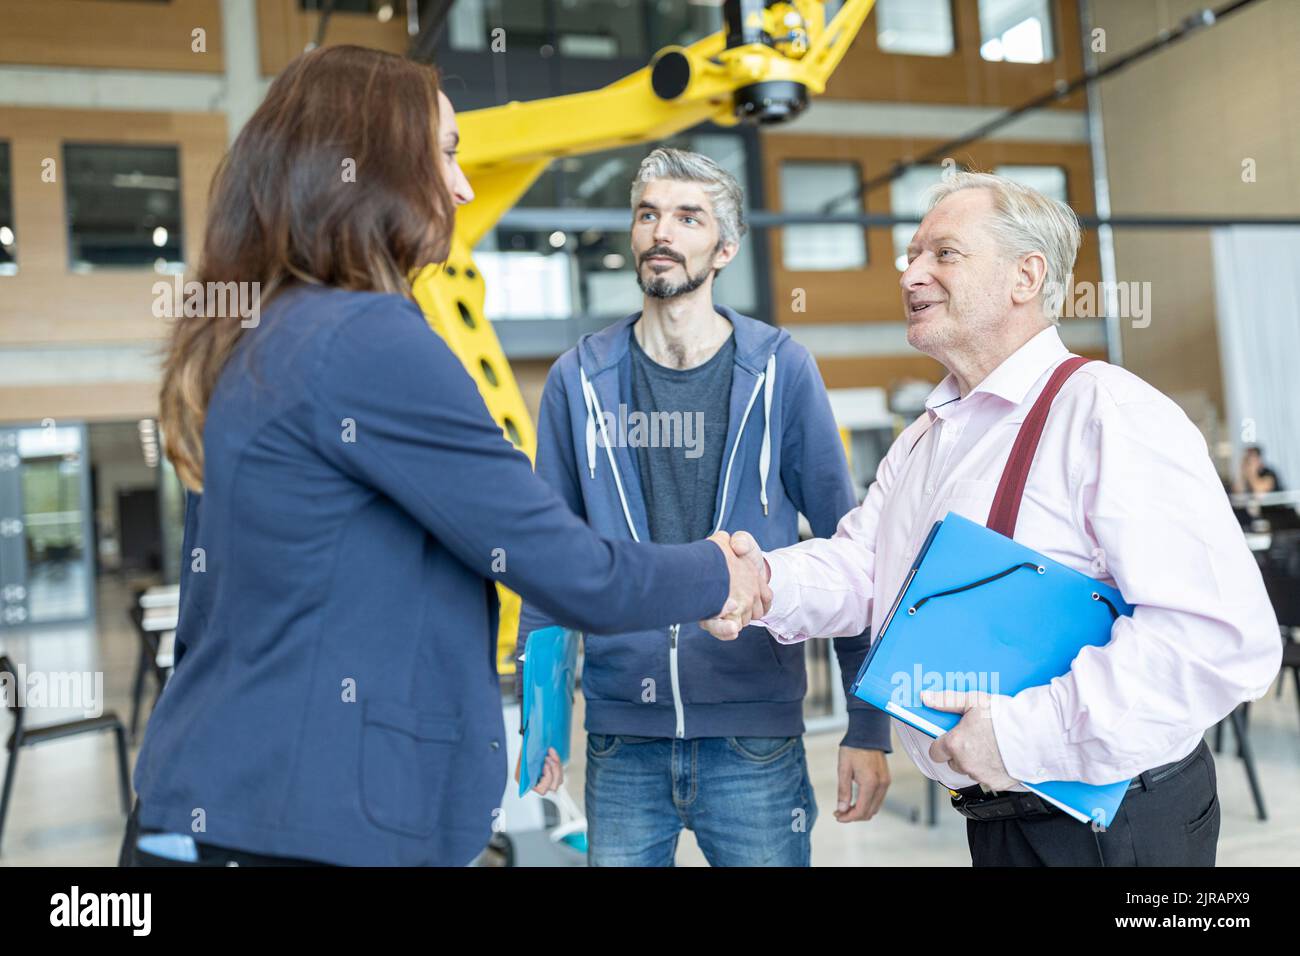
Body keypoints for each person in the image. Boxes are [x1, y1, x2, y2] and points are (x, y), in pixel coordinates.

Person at [120, 46, 764, 868]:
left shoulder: (256, 338)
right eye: (449, 153)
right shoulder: (366, 337)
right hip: (302, 825)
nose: (462, 187)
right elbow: (575, 571)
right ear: (377, 166)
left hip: (210, 809)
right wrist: (723, 570)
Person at [707, 171, 1282, 866]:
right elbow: (865, 568)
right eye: (911, 255)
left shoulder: (1108, 414)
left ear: (1025, 276)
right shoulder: (927, 436)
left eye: (943, 253)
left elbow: (1216, 637)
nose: (910, 272)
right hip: (996, 816)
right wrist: (764, 580)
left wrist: (1021, 736)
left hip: (1111, 822)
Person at [515, 147, 890, 867]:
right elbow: (548, 557)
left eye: (688, 217)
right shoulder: (578, 381)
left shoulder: (782, 370)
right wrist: (544, 720)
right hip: (624, 740)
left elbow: (851, 553)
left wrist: (866, 724)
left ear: (725, 246)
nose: (662, 232)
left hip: (755, 740)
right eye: (648, 214)